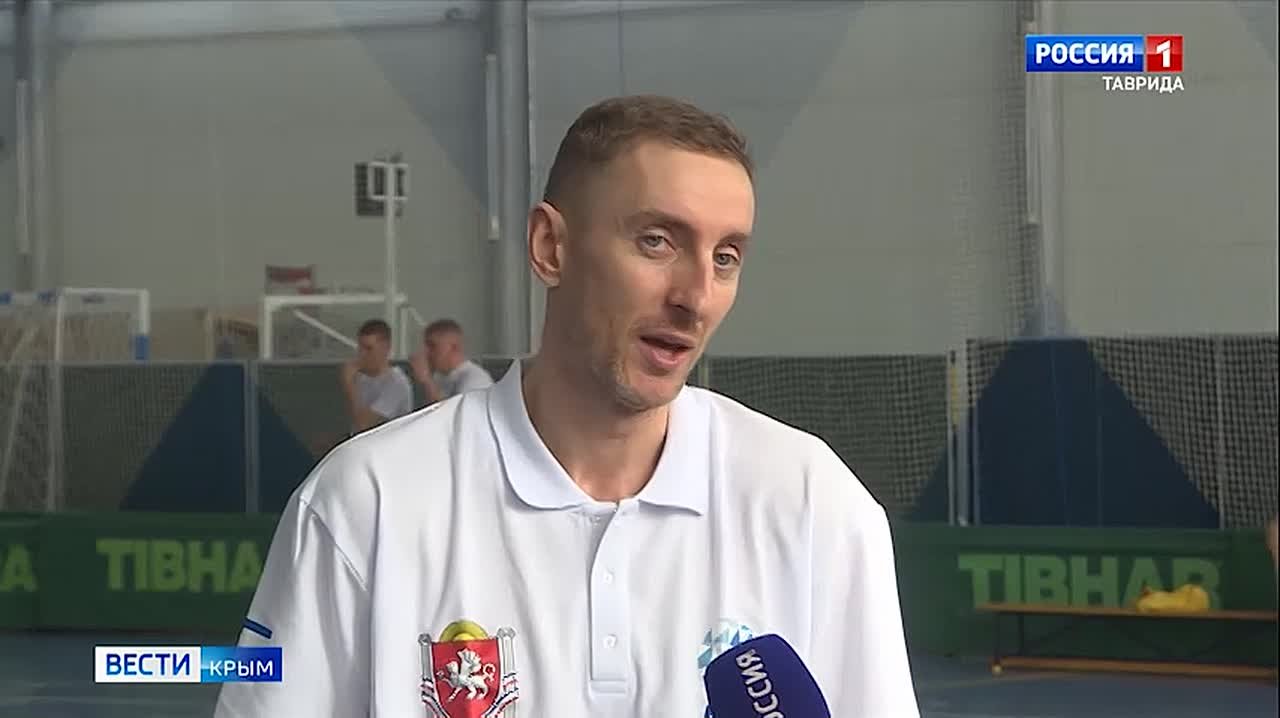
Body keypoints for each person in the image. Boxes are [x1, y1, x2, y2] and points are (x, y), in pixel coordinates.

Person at [215, 95, 919, 717]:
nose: (696, 296)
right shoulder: (363, 503)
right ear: (550, 246)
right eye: (657, 242)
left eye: (726, 257)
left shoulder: (815, 504)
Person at [340, 318, 413, 434]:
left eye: (369, 349)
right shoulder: (360, 378)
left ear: (386, 348)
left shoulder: (396, 382)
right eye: (360, 348)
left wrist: (349, 384)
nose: (362, 354)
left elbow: (364, 425)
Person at [409, 318, 493, 404]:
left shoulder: (475, 379)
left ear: (454, 347)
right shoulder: (440, 378)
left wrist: (427, 381)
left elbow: (455, 412)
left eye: (432, 346)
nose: (426, 352)